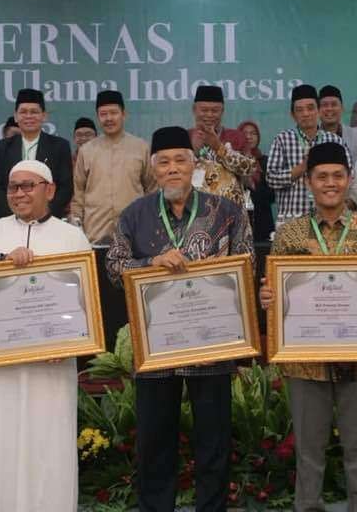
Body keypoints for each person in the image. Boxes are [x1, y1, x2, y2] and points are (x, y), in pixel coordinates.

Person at [106, 126, 253, 512]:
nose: (173, 169)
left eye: (180, 161)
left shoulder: (227, 212)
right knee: (154, 443)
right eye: (164, 162)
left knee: (214, 443)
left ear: (195, 165)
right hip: (157, 350)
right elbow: (113, 267)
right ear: (154, 169)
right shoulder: (134, 215)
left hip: (212, 346)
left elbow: (247, 267)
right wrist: (149, 263)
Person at [259, 142, 357, 511]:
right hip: (306, 360)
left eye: (338, 175)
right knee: (309, 449)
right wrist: (269, 300)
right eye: (322, 176)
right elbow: (276, 291)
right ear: (308, 182)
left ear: (349, 180)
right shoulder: (289, 234)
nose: (331, 183)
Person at [0, 160, 84, 512]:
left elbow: (85, 295)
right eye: (14, 187)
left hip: (52, 361)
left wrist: (72, 342)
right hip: (1, 362)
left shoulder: (71, 235)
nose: (19, 193)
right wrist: (3, 260)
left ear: (50, 190)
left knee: (49, 441)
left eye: (29, 186)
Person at [72, 90, 154, 243]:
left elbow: (152, 189)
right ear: (98, 117)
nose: (108, 118)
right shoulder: (86, 151)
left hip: (134, 231)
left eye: (113, 113)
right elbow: (78, 194)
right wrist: (77, 226)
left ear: (124, 114)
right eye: (103, 114)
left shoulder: (141, 147)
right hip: (95, 232)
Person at [267, 84, 351, 219]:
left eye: (310, 108)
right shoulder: (282, 139)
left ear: (318, 111)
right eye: (299, 110)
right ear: (293, 115)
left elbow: (348, 177)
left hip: (329, 221)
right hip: (292, 220)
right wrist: (303, 167)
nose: (306, 114)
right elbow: (271, 179)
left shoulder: (335, 141)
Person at [0, 88, 73, 219]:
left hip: (49, 219)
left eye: (34, 112)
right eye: (23, 112)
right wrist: (14, 215)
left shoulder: (59, 146)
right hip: (10, 219)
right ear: (16, 116)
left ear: (44, 116)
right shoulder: (2, 147)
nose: (29, 116)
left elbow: (65, 187)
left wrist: (45, 214)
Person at [188, 84, 257, 209]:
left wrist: (219, 147)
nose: (209, 115)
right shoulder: (184, 137)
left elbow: (250, 170)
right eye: (204, 110)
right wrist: (193, 152)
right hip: (194, 210)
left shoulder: (237, 137)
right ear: (194, 110)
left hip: (230, 209)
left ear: (222, 111)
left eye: (215, 111)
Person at [238, 120, 275, 242]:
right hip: (238, 220)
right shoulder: (232, 161)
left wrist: (251, 184)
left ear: (258, 137)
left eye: (253, 133)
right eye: (244, 133)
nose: (248, 137)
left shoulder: (266, 162)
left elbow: (272, 196)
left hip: (262, 221)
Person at [319, 84, 357, 158]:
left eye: (334, 104)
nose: (329, 109)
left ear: (342, 108)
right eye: (325, 105)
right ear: (318, 110)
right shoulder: (312, 137)